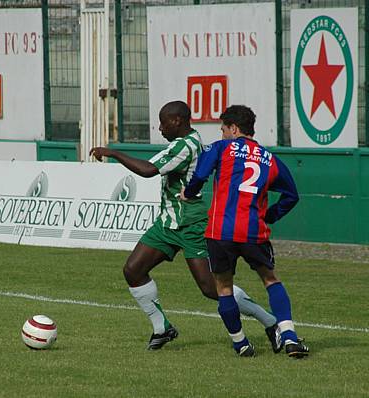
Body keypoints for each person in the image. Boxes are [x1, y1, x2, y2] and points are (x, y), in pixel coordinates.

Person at [89, 100, 280, 351]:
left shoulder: (186, 146)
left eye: (163, 122)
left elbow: (148, 170)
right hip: (169, 221)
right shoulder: (181, 143)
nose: (159, 128)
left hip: (192, 223)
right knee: (133, 270)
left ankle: (270, 321)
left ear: (177, 121)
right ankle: (162, 328)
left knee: (211, 288)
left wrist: (113, 153)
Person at [182, 104, 309, 358]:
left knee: (224, 287)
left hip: (220, 232)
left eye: (223, 129)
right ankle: (290, 337)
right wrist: (269, 216)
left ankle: (240, 343)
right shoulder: (270, 158)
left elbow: (200, 174)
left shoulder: (222, 148)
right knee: (270, 279)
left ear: (234, 128)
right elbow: (291, 196)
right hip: (253, 232)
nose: (221, 134)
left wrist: (190, 192)